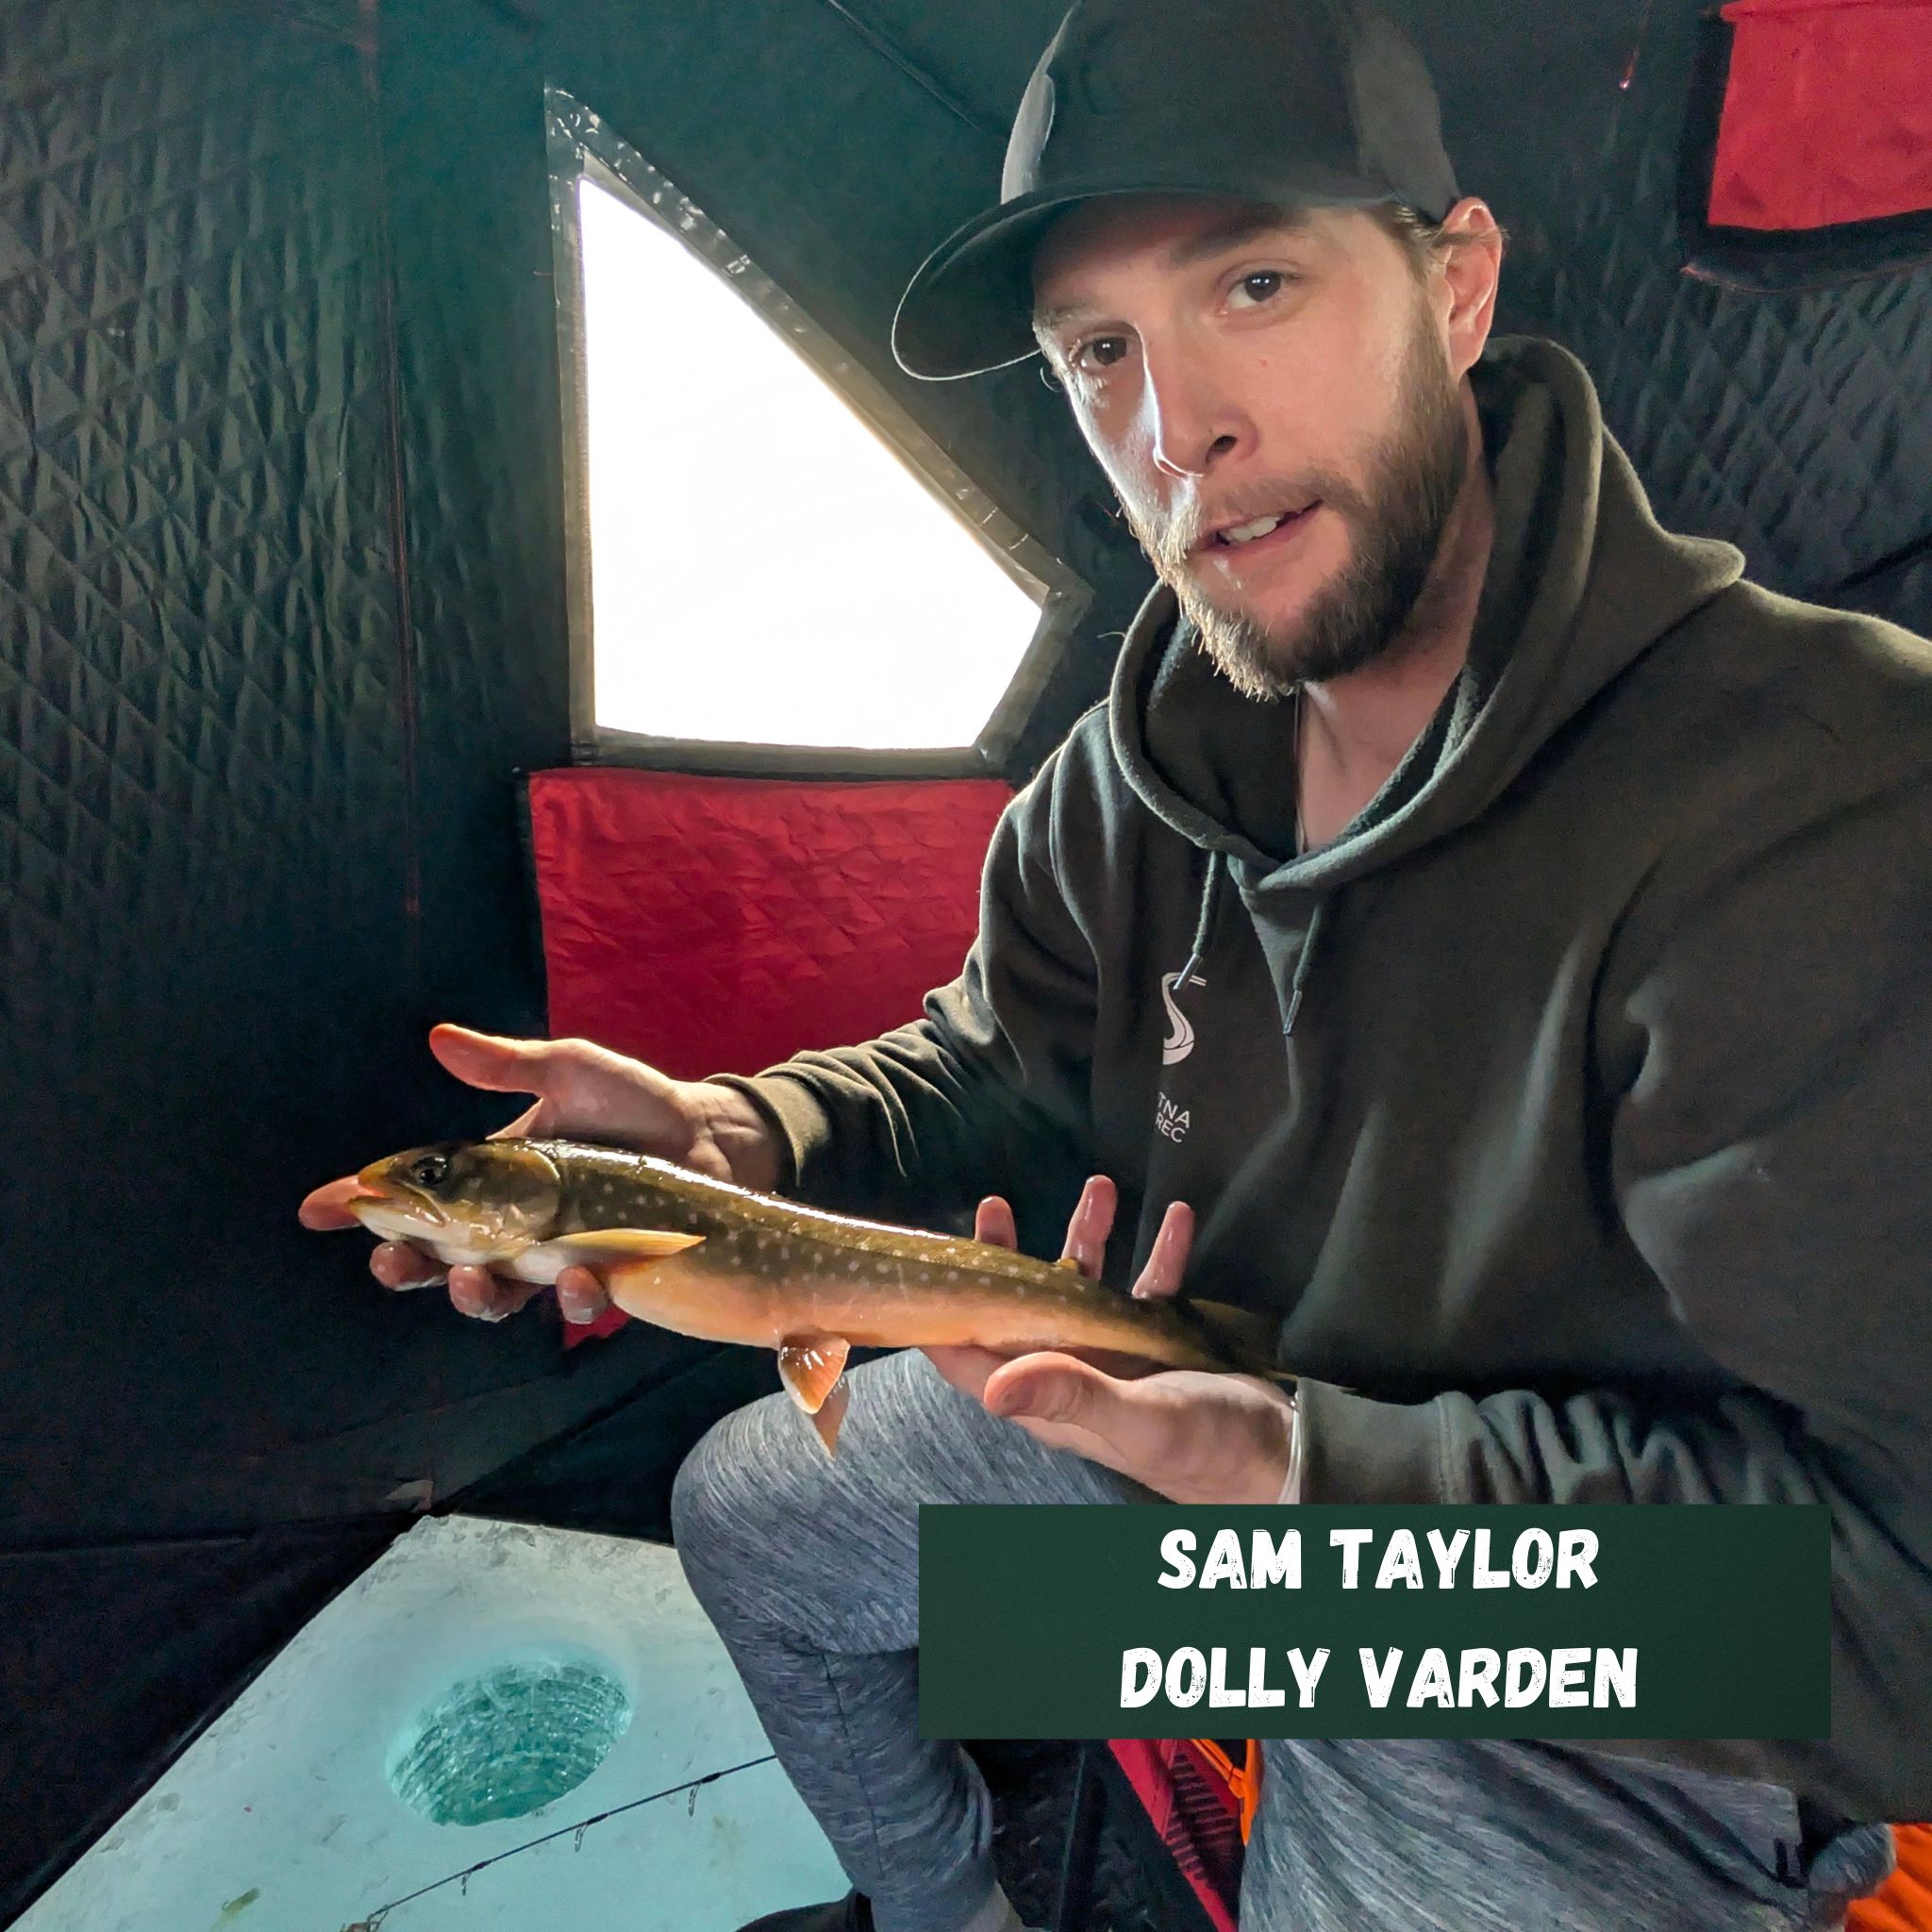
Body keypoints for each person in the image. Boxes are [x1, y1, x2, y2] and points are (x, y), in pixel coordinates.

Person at [304, 0, 1932, 1924]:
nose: (1178, 430)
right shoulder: (1140, 774)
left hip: (1581, 1647)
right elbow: (999, 1053)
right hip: (1181, 1417)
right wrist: (748, 1137)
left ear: (1456, 286)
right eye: (1098, 350)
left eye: (1256, 283)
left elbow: (1897, 1629)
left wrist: (1303, 1485)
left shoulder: (1826, 806)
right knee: (756, 1521)